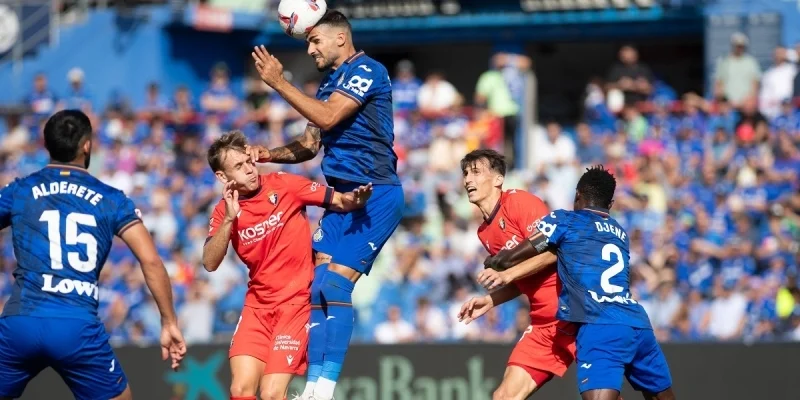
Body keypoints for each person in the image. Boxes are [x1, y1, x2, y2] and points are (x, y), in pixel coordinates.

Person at [248, 10, 404, 400]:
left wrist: (279, 82)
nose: (311, 49)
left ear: (340, 38)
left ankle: (324, 390)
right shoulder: (328, 85)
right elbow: (309, 143)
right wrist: (268, 154)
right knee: (316, 287)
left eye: (315, 41)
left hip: (376, 194)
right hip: (340, 199)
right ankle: (313, 387)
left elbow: (330, 117)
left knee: (335, 284)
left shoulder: (367, 69)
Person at [0, 109, 186, 400]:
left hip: (21, 321)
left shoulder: (20, 190)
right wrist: (169, 321)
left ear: (46, 145)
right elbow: (150, 260)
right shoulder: (111, 198)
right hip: (76, 325)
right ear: (87, 146)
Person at [472, 165, 676, 400]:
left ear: (577, 194)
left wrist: (495, 261)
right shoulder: (619, 232)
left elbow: (517, 254)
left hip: (599, 324)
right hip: (637, 322)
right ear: (610, 204)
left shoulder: (565, 220)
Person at [202, 131, 373, 400]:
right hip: (257, 307)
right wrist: (229, 220)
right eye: (239, 166)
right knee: (240, 390)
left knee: (272, 394)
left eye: (249, 161)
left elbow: (340, 201)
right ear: (222, 177)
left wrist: (356, 199)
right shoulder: (224, 211)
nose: (249, 169)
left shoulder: (284, 184)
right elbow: (210, 263)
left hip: (295, 304)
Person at [455, 149, 576, 399]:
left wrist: (507, 275)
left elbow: (554, 251)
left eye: (476, 172)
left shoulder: (519, 202)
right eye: (465, 173)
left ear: (498, 179)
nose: (468, 179)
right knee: (503, 397)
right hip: (544, 324)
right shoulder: (484, 232)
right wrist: (490, 300)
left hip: (575, 313)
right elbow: (521, 278)